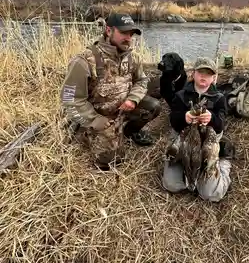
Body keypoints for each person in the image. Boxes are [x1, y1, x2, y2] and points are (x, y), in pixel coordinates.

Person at [60, 13, 161, 170]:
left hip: (124, 109)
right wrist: (94, 120)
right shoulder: (85, 60)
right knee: (111, 162)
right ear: (108, 31)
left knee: (153, 106)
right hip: (100, 116)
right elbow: (70, 98)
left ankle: (126, 131)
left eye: (131, 34)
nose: (128, 38)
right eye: (123, 33)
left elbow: (142, 80)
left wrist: (133, 99)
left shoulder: (132, 57)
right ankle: (88, 133)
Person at [162, 57, 235, 202]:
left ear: (214, 78)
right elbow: (174, 121)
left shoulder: (220, 98)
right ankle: (188, 167)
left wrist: (211, 119)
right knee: (172, 185)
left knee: (210, 194)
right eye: (200, 72)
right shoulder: (180, 96)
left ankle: (223, 162)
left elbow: (221, 124)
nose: (203, 76)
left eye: (208, 74)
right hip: (184, 141)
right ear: (193, 74)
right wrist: (185, 118)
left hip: (208, 142)